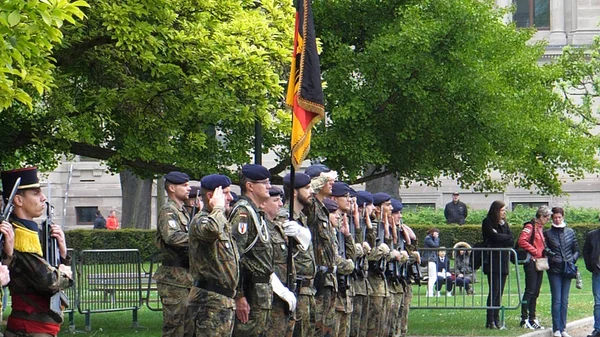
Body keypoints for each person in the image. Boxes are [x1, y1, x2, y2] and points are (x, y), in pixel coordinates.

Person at [1, 167, 73, 337]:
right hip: (30, 329)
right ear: (18, 200)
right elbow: (49, 282)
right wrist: (64, 274)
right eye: (35, 193)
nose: (43, 198)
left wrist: (62, 255)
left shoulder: (29, 233)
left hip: (38, 327)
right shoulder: (18, 235)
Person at [229, 164, 280, 337]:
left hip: (260, 290)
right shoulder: (243, 213)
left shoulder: (255, 212)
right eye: (264, 183)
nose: (269, 186)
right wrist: (239, 295)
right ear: (250, 186)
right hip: (251, 290)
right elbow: (234, 256)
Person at [186, 174, 238, 337]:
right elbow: (212, 231)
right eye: (226, 193)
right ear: (211, 196)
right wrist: (218, 208)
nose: (230, 198)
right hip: (208, 303)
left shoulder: (220, 219)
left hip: (222, 301)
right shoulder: (201, 221)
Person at [154, 171, 193, 337]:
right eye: (184, 185)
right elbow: (172, 237)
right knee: (175, 329)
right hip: (173, 280)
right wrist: (199, 238)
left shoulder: (181, 210)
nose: (189, 188)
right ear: (172, 188)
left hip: (185, 278)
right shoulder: (169, 210)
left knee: (188, 328)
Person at [303, 164, 339, 337]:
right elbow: (309, 192)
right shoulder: (311, 206)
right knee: (316, 330)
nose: (331, 182)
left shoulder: (323, 208)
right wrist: (323, 177)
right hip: (317, 279)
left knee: (326, 330)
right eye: (327, 179)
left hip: (328, 280)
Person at [283, 172, 316, 337]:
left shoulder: (302, 218)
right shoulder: (284, 217)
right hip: (294, 288)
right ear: (295, 191)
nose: (312, 192)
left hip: (307, 290)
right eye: (307, 188)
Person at [262, 186, 294, 337]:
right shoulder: (262, 227)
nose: (280, 204)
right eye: (275, 200)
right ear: (263, 203)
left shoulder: (276, 227)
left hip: (283, 294)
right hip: (272, 295)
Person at [545, 207, 579, 337]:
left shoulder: (570, 232)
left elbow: (576, 249)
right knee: (557, 299)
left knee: (565, 300)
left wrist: (572, 260)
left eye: (559, 217)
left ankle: (563, 328)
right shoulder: (547, 233)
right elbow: (545, 249)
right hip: (554, 270)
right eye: (554, 217)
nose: (557, 219)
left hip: (568, 269)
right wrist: (553, 258)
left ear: (563, 217)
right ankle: (556, 329)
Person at [518, 205, 552, 330]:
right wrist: (535, 251)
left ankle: (532, 317)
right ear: (541, 217)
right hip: (531, 262)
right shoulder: (530, 227)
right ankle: (524, 318)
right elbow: (522, 241)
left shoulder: (540, 229)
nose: (548, 220)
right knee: (530, 290)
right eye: (547, 218)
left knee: (536, 291)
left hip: (539, 262)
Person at [481, 200, 513, 329]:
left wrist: (501, 236)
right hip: (492, 261)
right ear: (496, 211)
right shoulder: (487, 222)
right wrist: (502, 237)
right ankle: (490, 319)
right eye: (502, 210)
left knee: (500, 291)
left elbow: (511, 238)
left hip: (503, 260)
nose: (504, 212)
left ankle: (497, 318)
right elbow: (494, 238)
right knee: (494, 290)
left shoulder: (504, 224)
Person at [365, 192, 392, 337]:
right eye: (388, 205)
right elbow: (368, 255)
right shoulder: (371, 227)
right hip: (371, 284)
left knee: (381, 327)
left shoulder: (382, 227)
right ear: (378, 208)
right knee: (372, 327)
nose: (391, 208)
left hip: (381, 285)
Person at [583, 225, 600, 337]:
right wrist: (591, 267)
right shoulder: (592, 235)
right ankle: (598, 329)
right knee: (598, 302)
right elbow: (586, 252)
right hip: (597, 272)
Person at [423, 228, 440, 297]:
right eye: (436, 233)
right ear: (433, 232)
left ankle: (429, 292)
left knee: (433, 277)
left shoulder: (430, 238)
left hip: (432, 259)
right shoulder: (428, 238)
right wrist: (436, 239)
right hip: (430, 259)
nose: (437, 235)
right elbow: (435, 246)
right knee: (432, 277)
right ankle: (430, 293)